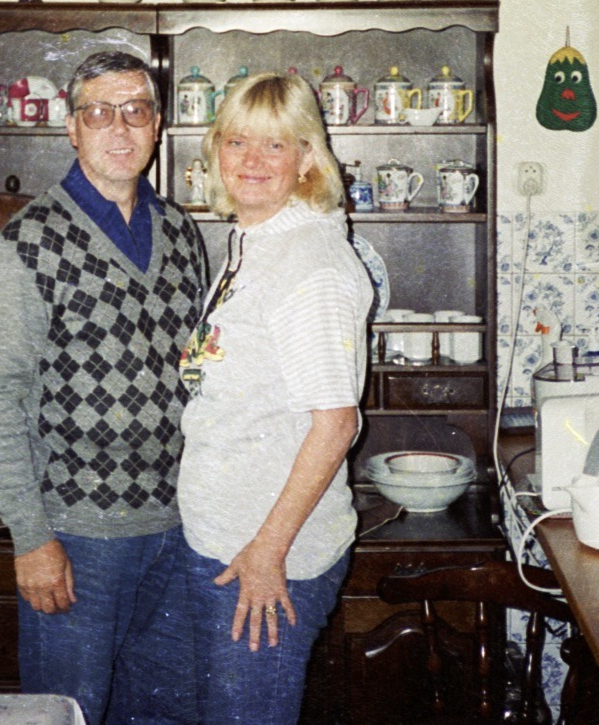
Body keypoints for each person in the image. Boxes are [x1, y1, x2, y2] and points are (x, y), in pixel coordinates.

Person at [0, 50, 209, 725]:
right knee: (66, 715)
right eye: (99, 112)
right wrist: (31, 539)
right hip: (75, 541)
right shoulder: (28, 246)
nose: (120, 128)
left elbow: (196, 371)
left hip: (181, 530)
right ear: (71, 128)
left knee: (169, 715)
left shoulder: (183, 235)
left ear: (158, 124)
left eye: (136, 110)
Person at [177, 71, 372, 724]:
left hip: (264, 558)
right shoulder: (256, 241)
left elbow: (336, 425)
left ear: (309, 158)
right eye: (237, 143)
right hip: (227, 539)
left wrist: (267, 553)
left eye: (275, 146)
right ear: (215, 152)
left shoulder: (309, 265)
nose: (251, 162)